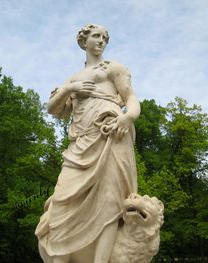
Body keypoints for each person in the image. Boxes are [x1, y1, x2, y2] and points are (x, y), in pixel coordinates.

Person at [35, 24, 140, 263]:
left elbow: (131, 98)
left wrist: (128, 116)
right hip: (80, 146)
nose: (101, 41)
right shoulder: (73, 79)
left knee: (110, 203)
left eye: (104, 37)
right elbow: (53, 109)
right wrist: (71, 88)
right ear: (84, 41)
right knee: (62, 203)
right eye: (96, 36)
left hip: (111, 137)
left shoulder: (113, 68)